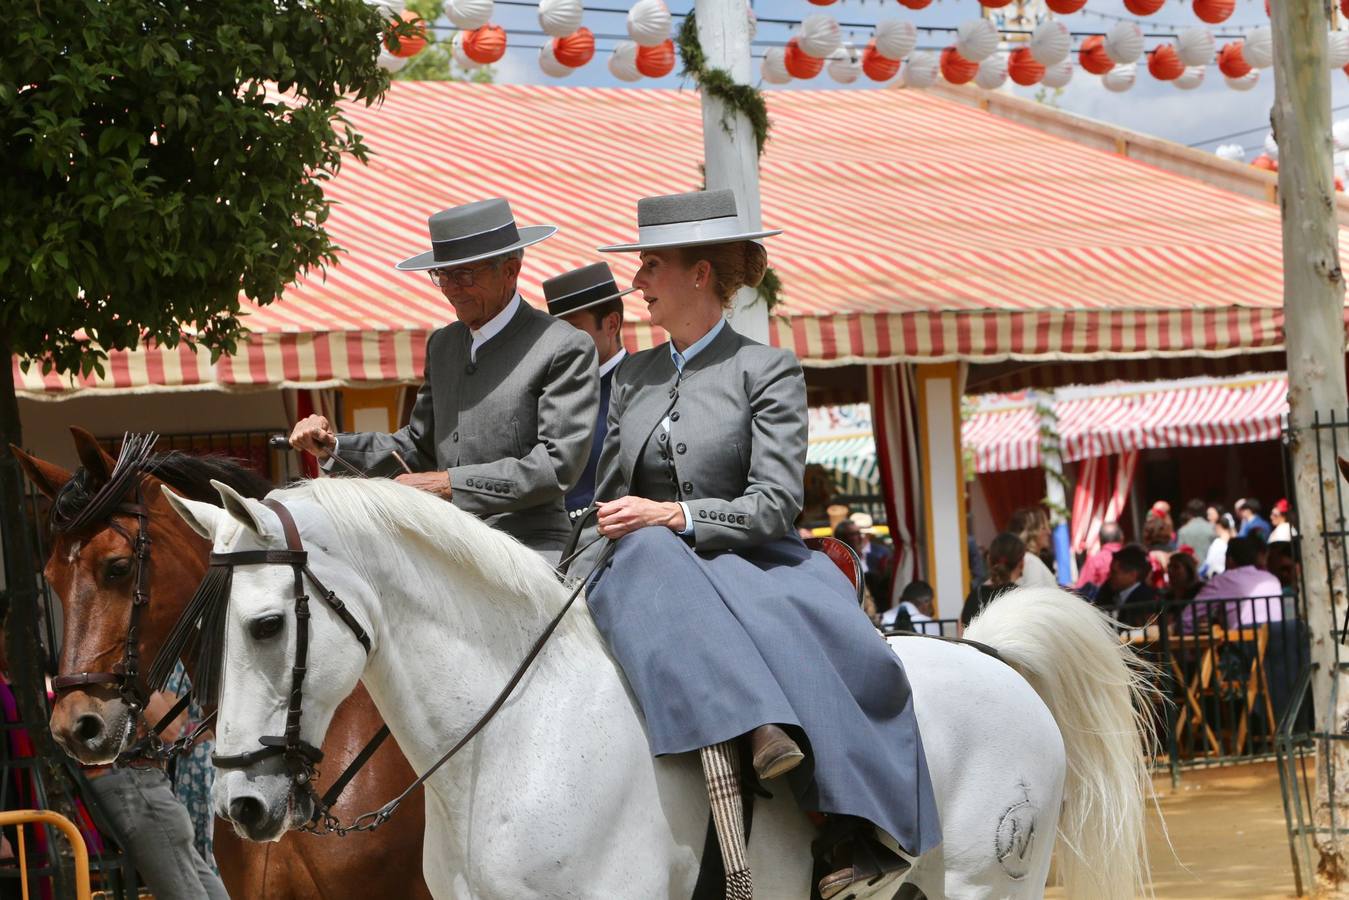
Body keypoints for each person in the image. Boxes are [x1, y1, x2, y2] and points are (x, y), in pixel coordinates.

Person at [583, 189, 939, 899]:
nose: (636, 283)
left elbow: (774, 503)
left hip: (748, 557)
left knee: (815, 639)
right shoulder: (631, 375)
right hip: (643, 562)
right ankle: (751, 734)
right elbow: (608, 485)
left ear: (700, 275)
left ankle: (840, 821)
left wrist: (675, 516)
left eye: (650, 265)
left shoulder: (766, 369)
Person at [289, 198, 600, 563]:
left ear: (511, 270)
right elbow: (418, 446)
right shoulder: (445, 344)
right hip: (445, 542)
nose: (452, 288)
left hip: (528, 547)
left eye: (465, 274)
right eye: (443, 275)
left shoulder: (562, 346)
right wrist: (333, 447)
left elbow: (555, 467)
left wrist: (449, 484)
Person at [85, 691, 229, 900]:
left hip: (135, 784)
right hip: (134, 786)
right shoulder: (123, 671)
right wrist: (167, 702)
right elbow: (170, 729)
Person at [544, 261, 633, 521]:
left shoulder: (644, 386)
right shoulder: (548, 392)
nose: (563, 344)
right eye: (557, 334)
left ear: (612, 324)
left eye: (574, 330)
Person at [1186, 536, 1283, 633]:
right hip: (1279, 641)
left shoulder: (1222, 580)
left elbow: (1187, 618)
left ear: (1229, 560)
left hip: (1242, 644)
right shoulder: (1271, 579)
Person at [960, 532, 1025, 627]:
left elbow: (962, 636)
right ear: (1022, 563)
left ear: (989, 560)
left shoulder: (973, 597)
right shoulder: (1024, 598)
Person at [1090, 544, 1157, 628]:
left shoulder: (1145, 597)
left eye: (1114, 572)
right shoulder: (1107, 590)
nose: (1110, 576)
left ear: (1132, 575)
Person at [1009, 506, 1056, 588]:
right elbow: (1037, 598)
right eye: (1043, 528)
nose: (1049, 532)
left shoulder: (1028, 560)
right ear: (1031, 532)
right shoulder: (1030, 562)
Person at [1075, 521, 1124, 590]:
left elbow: (1081, 590)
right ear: (1122, 537)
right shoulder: (1132, 557)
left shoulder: (1095, 561)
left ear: (1100, 540)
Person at [1176, 498, 1216, 563]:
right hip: (1210, 569)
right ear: (1204, 511)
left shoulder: (1183, 531)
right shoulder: (1212, 528)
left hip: (1192, 569)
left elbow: (1180, 553)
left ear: (1189, 513)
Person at [1202, 511, 1237, 579]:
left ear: (1219, 526)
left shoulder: (1218, 543)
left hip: (1218, 576)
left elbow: (1209, 561)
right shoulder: (1235, 542)